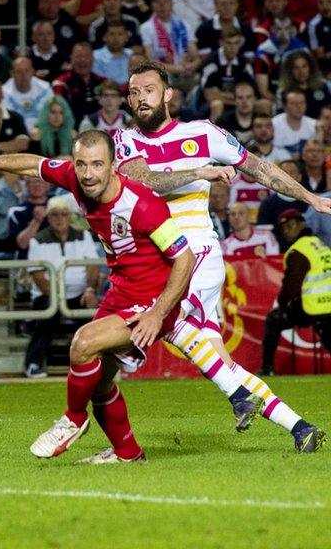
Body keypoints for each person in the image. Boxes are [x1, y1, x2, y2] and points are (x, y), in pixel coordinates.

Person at [0, 131, 256, 463]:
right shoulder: (76, 179)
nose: (88, 173)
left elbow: (184, 258)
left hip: (152, 300)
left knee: (82, 344)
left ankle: (72, 419)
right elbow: (33, 165)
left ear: (113, 166)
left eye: (97, 165)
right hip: (121, 292)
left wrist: (157, 313)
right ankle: (128, 453)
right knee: (100, 384)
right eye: (81, 165)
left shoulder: (142, 204)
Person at [114, 59, 329, 449]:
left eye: (148, 90)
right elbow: (146, 181)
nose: (140, 98)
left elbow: (259, 168)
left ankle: (233, 394)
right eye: (133, 92)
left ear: (168, 95)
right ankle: (300, 428)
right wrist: (202, 173)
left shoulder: (204, 133)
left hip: (195, 252)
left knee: (164, 321)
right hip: (160, 259)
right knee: (219, 360)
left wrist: (309, 196)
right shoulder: (126, 141)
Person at [22, 195, 101, 379]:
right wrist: (56, 298)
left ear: (70, 216)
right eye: (55, 215)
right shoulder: (37, 240)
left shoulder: (83, 237)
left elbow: (93, 266)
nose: (59, 219)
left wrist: (90, 289)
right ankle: (33, 363)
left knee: (94, 317)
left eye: (64, 214)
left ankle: (96, 363)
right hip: (50, 295)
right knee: (47, 316)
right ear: (48, 218)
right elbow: (38, 276)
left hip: (79, 294)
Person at [261, 209, 331, 378]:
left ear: (301, 223)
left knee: (274, 320)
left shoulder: (298, 251)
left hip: (311, 308)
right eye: (283, 228)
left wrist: (283, 305)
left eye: (290, 225)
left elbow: (291, 288)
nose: (286, 230)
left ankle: (267, 368)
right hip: (328, 305)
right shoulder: (319, 244)